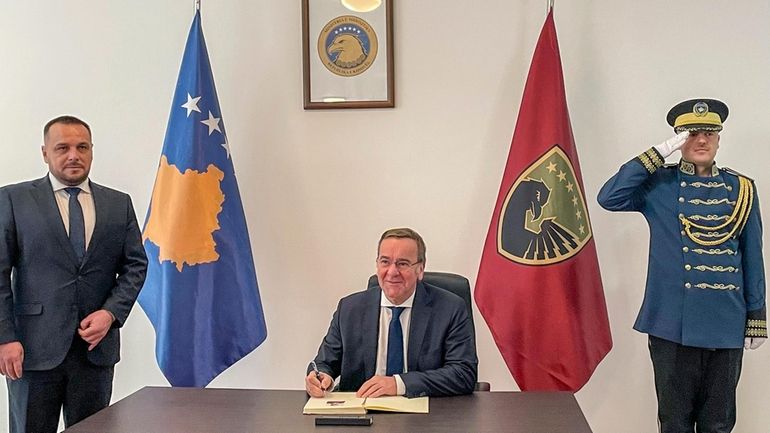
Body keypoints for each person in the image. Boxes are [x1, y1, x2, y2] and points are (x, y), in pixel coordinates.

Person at [597, 98, 766, 433]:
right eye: (691, 134)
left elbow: (752, 254)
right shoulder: (660, 184)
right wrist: (658, 153)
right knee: (673, 422)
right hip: (672, 323)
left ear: (719, 138)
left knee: (718, 423)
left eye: (709, 133)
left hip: (725, 321)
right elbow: (609, 197)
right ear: (679, 140)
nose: (701, 140)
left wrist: (756, 314)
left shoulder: (742, 189)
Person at [0, 115, 148, 433]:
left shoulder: (118, 204)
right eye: (62, 147)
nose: (73, 155)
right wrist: (5, 338)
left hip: (94, 352)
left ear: (92, 150)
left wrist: (110, 314)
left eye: (82, 147)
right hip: (31, 351)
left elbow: (136, 265)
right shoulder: (12, 200)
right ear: (45, 153)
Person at [305, 228, 478, 399]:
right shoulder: (350, 308)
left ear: (420, 269)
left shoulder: (450, 308)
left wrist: (399, 383)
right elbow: (324, 363)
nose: (392, 272)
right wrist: (320, 376)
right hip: (362, 412)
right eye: (385, 262)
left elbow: (463, 373)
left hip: (425, 414)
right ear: (377, 264)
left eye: (402, 263)